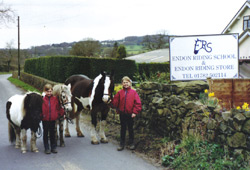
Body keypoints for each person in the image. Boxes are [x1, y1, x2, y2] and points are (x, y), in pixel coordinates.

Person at [111, 76, 142, 151]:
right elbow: (115, 102)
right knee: (123, 128)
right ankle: (122, 143)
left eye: (127, 82)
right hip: (122, 113)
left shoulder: (134, 92)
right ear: (122, 83)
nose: (125, 84)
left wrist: (135, 112)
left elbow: (137, 103)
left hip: (130, 114)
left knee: (130, 128)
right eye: (124, 82)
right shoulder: (119, 93)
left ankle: (131, 143)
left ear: (130, 83)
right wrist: (112, 102)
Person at [42, 84, 64, 154]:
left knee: (52, 133)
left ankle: (53, 147)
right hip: (45, 120)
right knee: (45, 133)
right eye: (48, 91)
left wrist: (62, 113)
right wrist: (41, 116)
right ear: (45, 92)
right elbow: (40, 110)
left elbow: (59, 108)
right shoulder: (42, 100)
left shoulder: (55, 99)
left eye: (50, 91)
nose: (49, 93)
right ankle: (46, 148)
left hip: (53, 119)